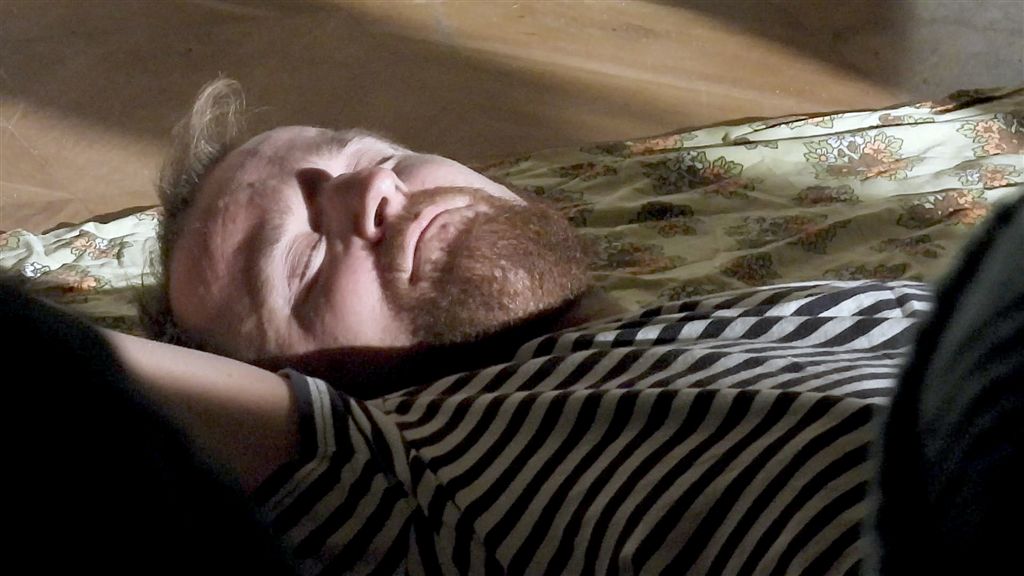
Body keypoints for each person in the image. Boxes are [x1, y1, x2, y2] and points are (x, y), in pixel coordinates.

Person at [23, 79, 1018, 575]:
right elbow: (61, 371)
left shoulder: (797, 306)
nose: (373, 194)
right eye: (302, 260)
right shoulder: (405, 472)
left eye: (373, 156)